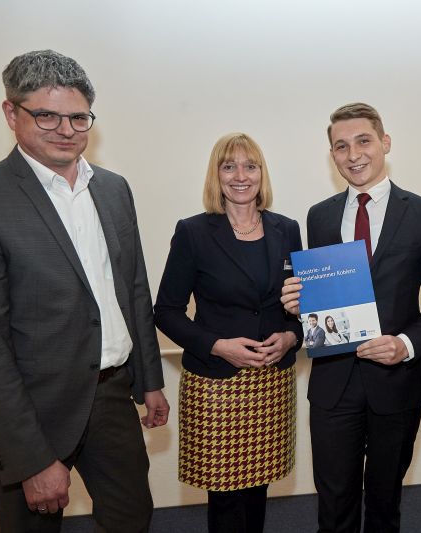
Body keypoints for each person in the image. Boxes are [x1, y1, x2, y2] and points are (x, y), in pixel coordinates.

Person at [0, 50, 169, 532]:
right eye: (47, 115)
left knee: (132, 519)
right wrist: (30, 458)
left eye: (78, 117)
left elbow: (132, 288)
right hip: (30, 411)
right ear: (11, 113)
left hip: (112, 396)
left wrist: (149, 379)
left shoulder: (113, 189)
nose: (66, 129)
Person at [281, 102, 421, 532]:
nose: (353, 154)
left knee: (384, 502)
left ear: (385, 143)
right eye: (341, 146)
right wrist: (301, 306)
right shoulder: (318, 216)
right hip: (333, 385)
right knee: (332, 505)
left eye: (363, 141)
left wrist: (405, 345)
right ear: (332, 155)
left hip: (398, 384)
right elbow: (321, 299)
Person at [154, 132, 303, 533]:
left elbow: (299, 306)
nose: (241, 175)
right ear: (216, 175)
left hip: (272, 379)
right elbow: (166, 311)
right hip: (216, 382)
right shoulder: (193, 232)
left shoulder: (287, 229)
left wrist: (291, 337)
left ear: (261, 174)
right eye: (229, 165)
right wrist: (217, 346)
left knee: (257, 488)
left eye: (250, 165)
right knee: (224, 496)